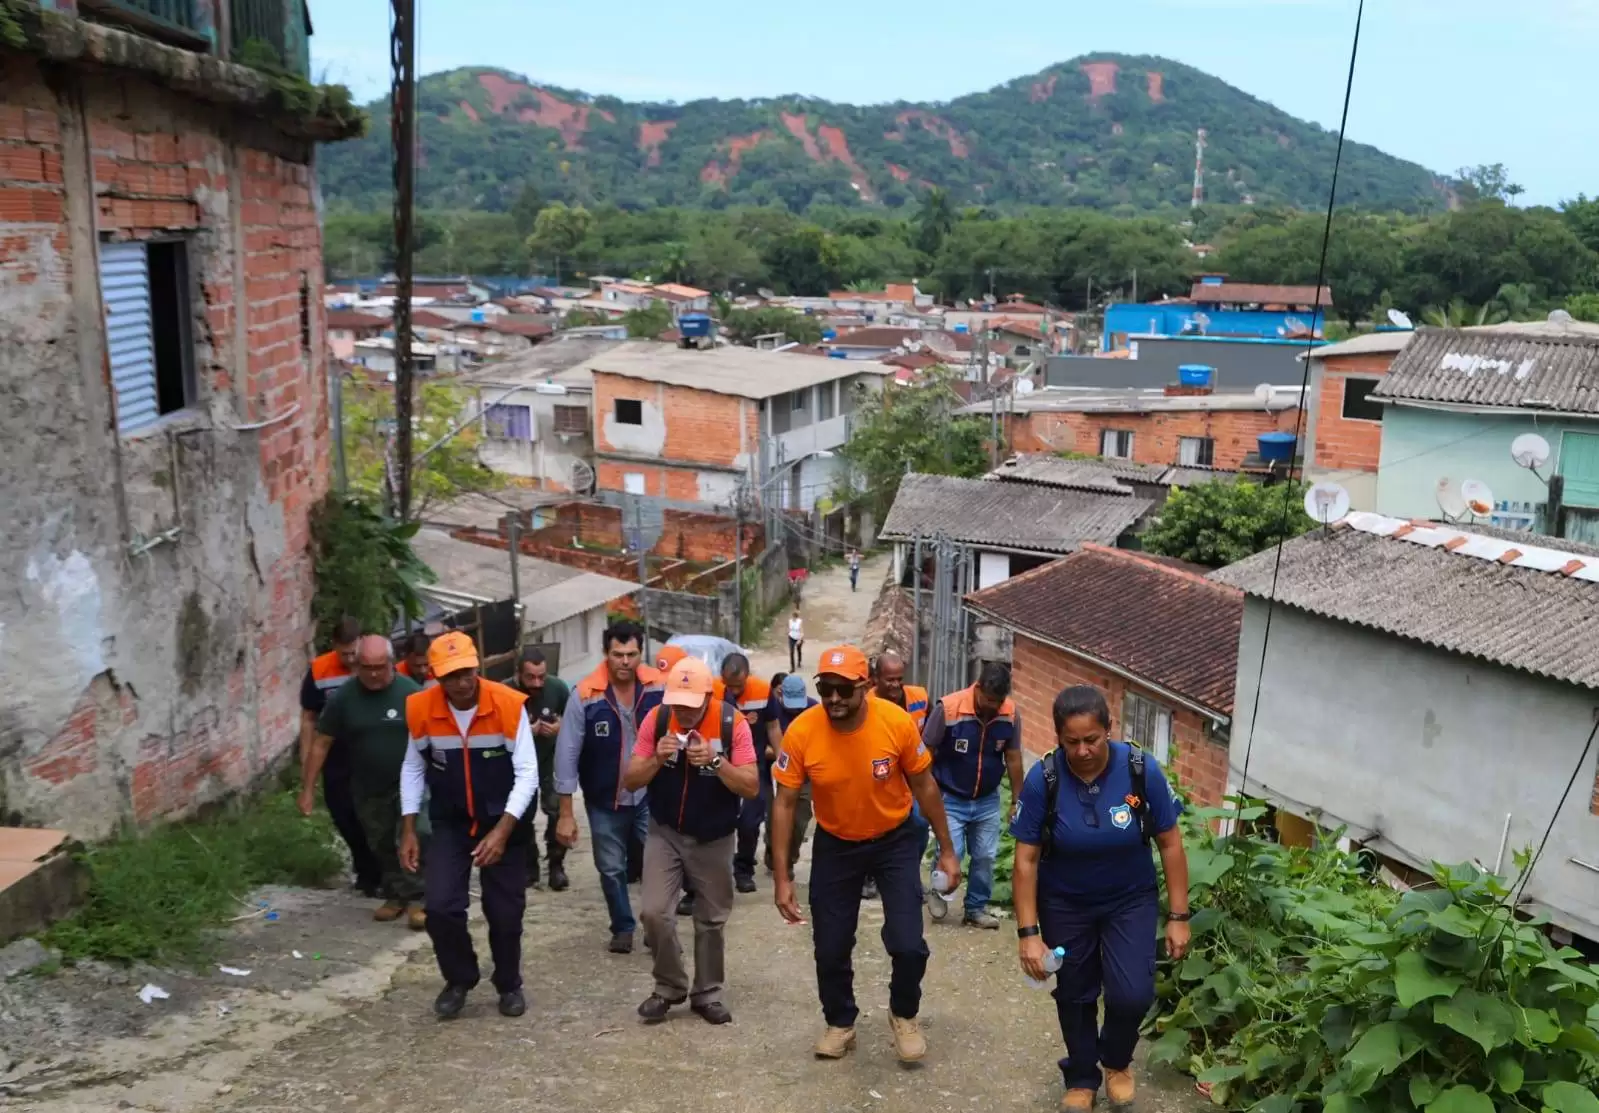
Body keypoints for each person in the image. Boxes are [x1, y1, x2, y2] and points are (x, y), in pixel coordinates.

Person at [770, 645, 961, 1064]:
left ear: (865, 687)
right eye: (827, 689)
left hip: (894, 842)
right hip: (836, 845)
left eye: (844, 690)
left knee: (909, 944)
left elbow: (926, 786)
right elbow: (784, 804)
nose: (834, 699)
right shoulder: (802, 731)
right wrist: (782, 876)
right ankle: (841, 1022)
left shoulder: (895, 723)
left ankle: (904, 1014)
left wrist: (947, 850)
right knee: (830, 946)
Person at [1011, 685, 1191, 1113]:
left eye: (1092, 739)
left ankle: (1116, 1061)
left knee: (1132, 994)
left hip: (1130, 900)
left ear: (1108, 729)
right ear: (1058, 738)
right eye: (1071, 742)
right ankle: (1081, 1076)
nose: (1083, 750)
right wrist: (1028, 934)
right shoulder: (1046, 778)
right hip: (1065, 903)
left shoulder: (1139, 770)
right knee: (1074, 993)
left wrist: (1179, 915)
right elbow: (1026, 860)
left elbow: (1169, 843)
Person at [398, 632, 539, 1021]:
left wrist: (503, 831)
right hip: (451, 821)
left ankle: (509, 983)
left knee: (505, 913)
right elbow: (412, 766)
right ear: (435, 676)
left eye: (466, 673)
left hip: (505, 822)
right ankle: (459, 978)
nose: (460, 683)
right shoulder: (420, 709)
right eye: (450, 676)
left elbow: (528, 773)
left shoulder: (509, 706)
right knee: (441, 907)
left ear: (477, 667)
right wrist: (409, 827)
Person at [623, 657, 760, 1024]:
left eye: (690, 704)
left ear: (707, 696)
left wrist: (716, 763)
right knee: (654, 912)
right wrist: (657, 757)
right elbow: (631, 780)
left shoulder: (733, 723)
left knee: (711, 919)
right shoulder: (657, 719)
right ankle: (669, 986)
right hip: (664, 831)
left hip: (714, 836)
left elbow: (750, 784)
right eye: (676, 702)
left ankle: (708, 992)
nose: (682, 711)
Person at [300, 636, 426, 928]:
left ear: (392, 663)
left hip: (409, 785)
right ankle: (396, 895)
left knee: (417, 835)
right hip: (367, 786)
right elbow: (322, 742)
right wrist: (307, 789)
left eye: (380, 667)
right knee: (380, 842)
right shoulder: (344, 698)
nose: (373, 674)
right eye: (366, 667)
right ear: (356, 664)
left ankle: (420, 899)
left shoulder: (412, 694)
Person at [554, 620, 664, 954]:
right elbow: (567, 752)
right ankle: (622, 927)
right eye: (618, 654)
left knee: (656, 863)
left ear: (641, 653)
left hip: (651, 794)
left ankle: (655, 924)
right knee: (612, 867)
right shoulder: (586, 694)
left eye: (632, 654)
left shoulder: (659, 687)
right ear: (606, 653)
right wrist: (565, 813)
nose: (625, 662)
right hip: (604, 798)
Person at [922, 663, 1023, 930]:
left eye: (998, 701)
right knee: (952, 851)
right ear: (977, 688)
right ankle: (939, 891)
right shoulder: (949, 709)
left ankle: (976, 908)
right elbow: (926, 754)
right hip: (950, 796)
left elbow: (1013, 757)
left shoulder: (1010, 715)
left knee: (986, 856)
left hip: (987, 799)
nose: (993, 706)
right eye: (988, 699)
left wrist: (1016, 800)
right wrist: (925, 795)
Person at [299, 617, 382, 896]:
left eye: (353, 653)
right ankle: (366, 867)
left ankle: (382, 872)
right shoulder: (320, 669)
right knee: (343, 813)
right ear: (334, 646)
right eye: (343, 653)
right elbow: (309, 717)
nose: (349, 659)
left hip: (370, 750)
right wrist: (306, 759)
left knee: (375, 814)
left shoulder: (376, 665)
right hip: (334, 751)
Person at [862, 650, 928, 900]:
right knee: (873, 830)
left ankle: (907, 875)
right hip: (874, 779)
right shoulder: (864, 705)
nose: (896, 685)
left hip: (910, 778)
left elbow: (930, 734)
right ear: (875, 679)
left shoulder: (919, 698)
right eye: (890, 679)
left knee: (920, 825)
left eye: (899, 678)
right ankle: (870, 875)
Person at [715, 653, 776, 895]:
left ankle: (744, 870)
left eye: (739, 686)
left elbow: (773, 726)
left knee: (750, 824)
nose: (734, 690)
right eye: (729, 685)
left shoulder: (762, 691)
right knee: (718, 824)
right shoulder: (711, 691)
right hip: (717, 770)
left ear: (747, 676)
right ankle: (714, 875)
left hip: (754, 768)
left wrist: (782, 758)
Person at [515, 648, 571, 891]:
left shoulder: (558, 688)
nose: (537, 683)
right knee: (521, 816)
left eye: (541, 676)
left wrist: (560, 727)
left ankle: (556, 864)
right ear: (518, 674)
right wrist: (525, 731)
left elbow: (574, 720)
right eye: (530, 677)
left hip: (550, 760)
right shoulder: (504, 691)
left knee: (557, 812)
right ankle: (529, 866)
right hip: (518, 765)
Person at [763, 673, 816, 875]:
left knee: (801, 819)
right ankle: (774, 855)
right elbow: (760, 746)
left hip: (805, 774)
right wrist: (782, 753)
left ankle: (789, 860)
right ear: (780, 695)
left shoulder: (814, 709)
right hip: (778, 772)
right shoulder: (771, 710)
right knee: (774, 819)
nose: (794, 709)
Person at [787, 607, 805, 672]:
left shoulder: (799, 622)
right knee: (791, 652)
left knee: (798, 650)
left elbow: (802, 631)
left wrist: (800, 640)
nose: (793, 618)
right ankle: (792, 668)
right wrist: (788, 633)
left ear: (796, 617)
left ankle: (799, 662)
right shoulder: (790, 621)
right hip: (791, 637)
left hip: (798, 638)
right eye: (793, 617)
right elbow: (789, 629)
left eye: (795, 617)